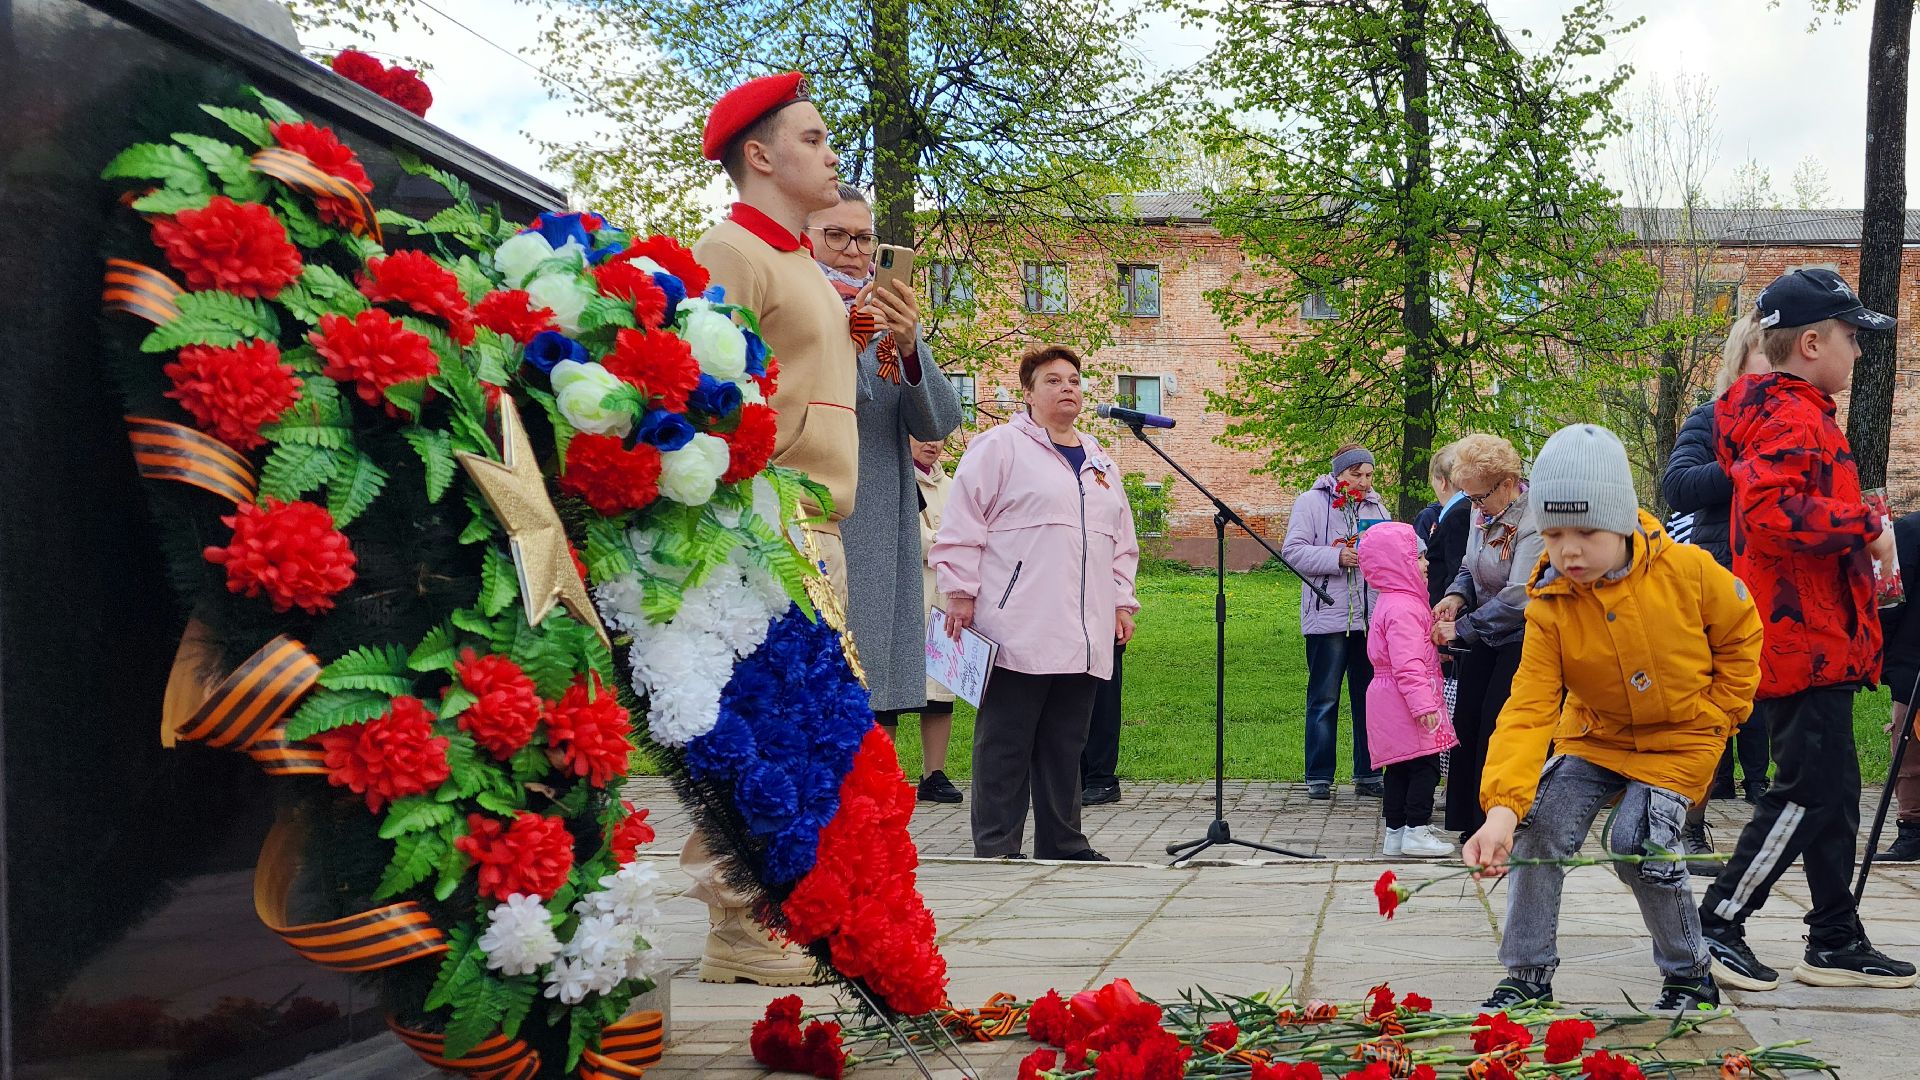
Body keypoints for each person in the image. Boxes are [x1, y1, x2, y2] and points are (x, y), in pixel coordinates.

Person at [683, 72, 876, 987]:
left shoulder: (801, 261)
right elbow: (708, 396)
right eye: (813, 137)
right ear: (759, 156)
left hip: (816, 519)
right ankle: (738, 920)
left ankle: (766, 911)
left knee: (801, 728)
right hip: (768, 521)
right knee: (762, 719)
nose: (833, 152)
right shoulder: (730, 251)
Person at [1464, 423, 1763, 1015]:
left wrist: (1719, 716)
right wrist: (1501, 809)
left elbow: (1742, 635)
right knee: (1538, 827)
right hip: (1596, 736)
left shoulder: (1691, 572)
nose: (1567, 551)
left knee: (1641, 842)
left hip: (1680, 736)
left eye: (1585, 532)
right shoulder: (1550, 604)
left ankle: (1688, 974)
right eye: (1552, 533)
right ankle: (1526, 975)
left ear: (1623, 519)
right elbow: (1528, 707)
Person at [1698, 268, 1917, 992]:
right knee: (1804, 792)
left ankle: (1834, 936)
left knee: (1835, 790)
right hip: (1803, 640)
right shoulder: (1791, 416)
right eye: (1853, 339)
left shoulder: (1799, 410)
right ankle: (1718, 923)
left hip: (1820, 636)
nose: (1860, 352)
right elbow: (1769, 515)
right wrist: (1868, 523)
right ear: (1813, 341)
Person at [931, 346, 1140, 861]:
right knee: (1006, 742)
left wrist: (1120, 602)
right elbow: (962, 524)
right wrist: (959, 592)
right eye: (1053, 380)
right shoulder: (998, 448)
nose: (1067, 388)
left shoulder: (1101, 462)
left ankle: (1062, 840)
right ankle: (997, 843)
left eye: (1074, 379)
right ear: (1027, 392)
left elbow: (1121, 540)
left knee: (1066, 744)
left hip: (1085, 627)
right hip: (1017, 623)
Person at [812, 185, 965, 802]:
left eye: (865, 238)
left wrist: (907, 346)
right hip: (811, 515)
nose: (854, 251)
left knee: (872, 685)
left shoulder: (889, 320)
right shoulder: (796, 302)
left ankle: (866, 815)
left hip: (878, 518)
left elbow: (936, 423)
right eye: (837, 236)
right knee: (818, 686)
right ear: (805, 235)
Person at [1664, 310, 1773, 808]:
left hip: (1778, 576)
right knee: (1712, 687)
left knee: (1764, 688)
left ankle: (1760, 783)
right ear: (1739, 361)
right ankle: (1701, 801)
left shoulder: (1804, 421)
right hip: (1722, 573)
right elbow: (1678, 486)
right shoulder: (1709, 418)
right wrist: (1741, 466)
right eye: (1767, 356)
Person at [1433, 434, 1541, 839]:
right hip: (1484, 630)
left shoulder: (1532, 520)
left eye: (1479, 497)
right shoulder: (1482, 512)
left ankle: (1499, 819)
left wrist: (1461, 628)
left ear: (1507, 482)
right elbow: (1468, 564)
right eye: (1470, 498)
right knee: (1468, 718)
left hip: (1523, 636)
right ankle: (1467, 821)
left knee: (1499, 723)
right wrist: (1455, 598)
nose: (1475, 508)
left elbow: (1518, 596)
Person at [1283, 444, 1392, 800]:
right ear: (1338, 475)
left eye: (1369, 474)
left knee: (1369, 698)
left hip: (1366, 619)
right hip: (1327, 616)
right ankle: (1318, 776)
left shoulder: (1375, 506)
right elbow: (1293, 552)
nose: (1364, 481)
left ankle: (1369, 774)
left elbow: (1390, 549)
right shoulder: (1311, 503)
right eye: (1356, 474)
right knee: (1324, 698)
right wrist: (1336, 556)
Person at [1357, 522, 1459, 858]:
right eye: (1418, 556)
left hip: (1389, 696)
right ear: (1397, 563)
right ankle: (1417, 828)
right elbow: (1407, 664)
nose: (1426, 563)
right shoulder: (1405, 608)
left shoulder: (1391, 601)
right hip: (1408, 699)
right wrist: (1424, 706)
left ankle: (1395, 832)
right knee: (1425, 766)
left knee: (1398, 767)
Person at [914, 436, 961, 797]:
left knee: (939, 693)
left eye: (938, 437)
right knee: (891, 696)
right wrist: (950, 544)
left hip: (946, 601)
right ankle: (885, 773)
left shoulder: (952, 486)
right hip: (910, 597)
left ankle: (934, 773)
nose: (932, 444)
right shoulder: (896, 482)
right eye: (922, 435)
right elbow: (919, 541)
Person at [1877, 511, 1920, 861]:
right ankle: (1913, 828)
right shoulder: (1908, 531)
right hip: (1913, 655)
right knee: (1909, 740)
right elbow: (1889, 598)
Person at [1425, 441, 1472, 606]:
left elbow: (1456, 571)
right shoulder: (1460, 511)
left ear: (1443, 482)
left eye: (1433, 480)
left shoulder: (1458, 516)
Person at [1080, 640, 1126, 807]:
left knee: (1103, 705)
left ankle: (1101, 780)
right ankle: (1080, 777)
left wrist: (1122, 612)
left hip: (1102, 633)